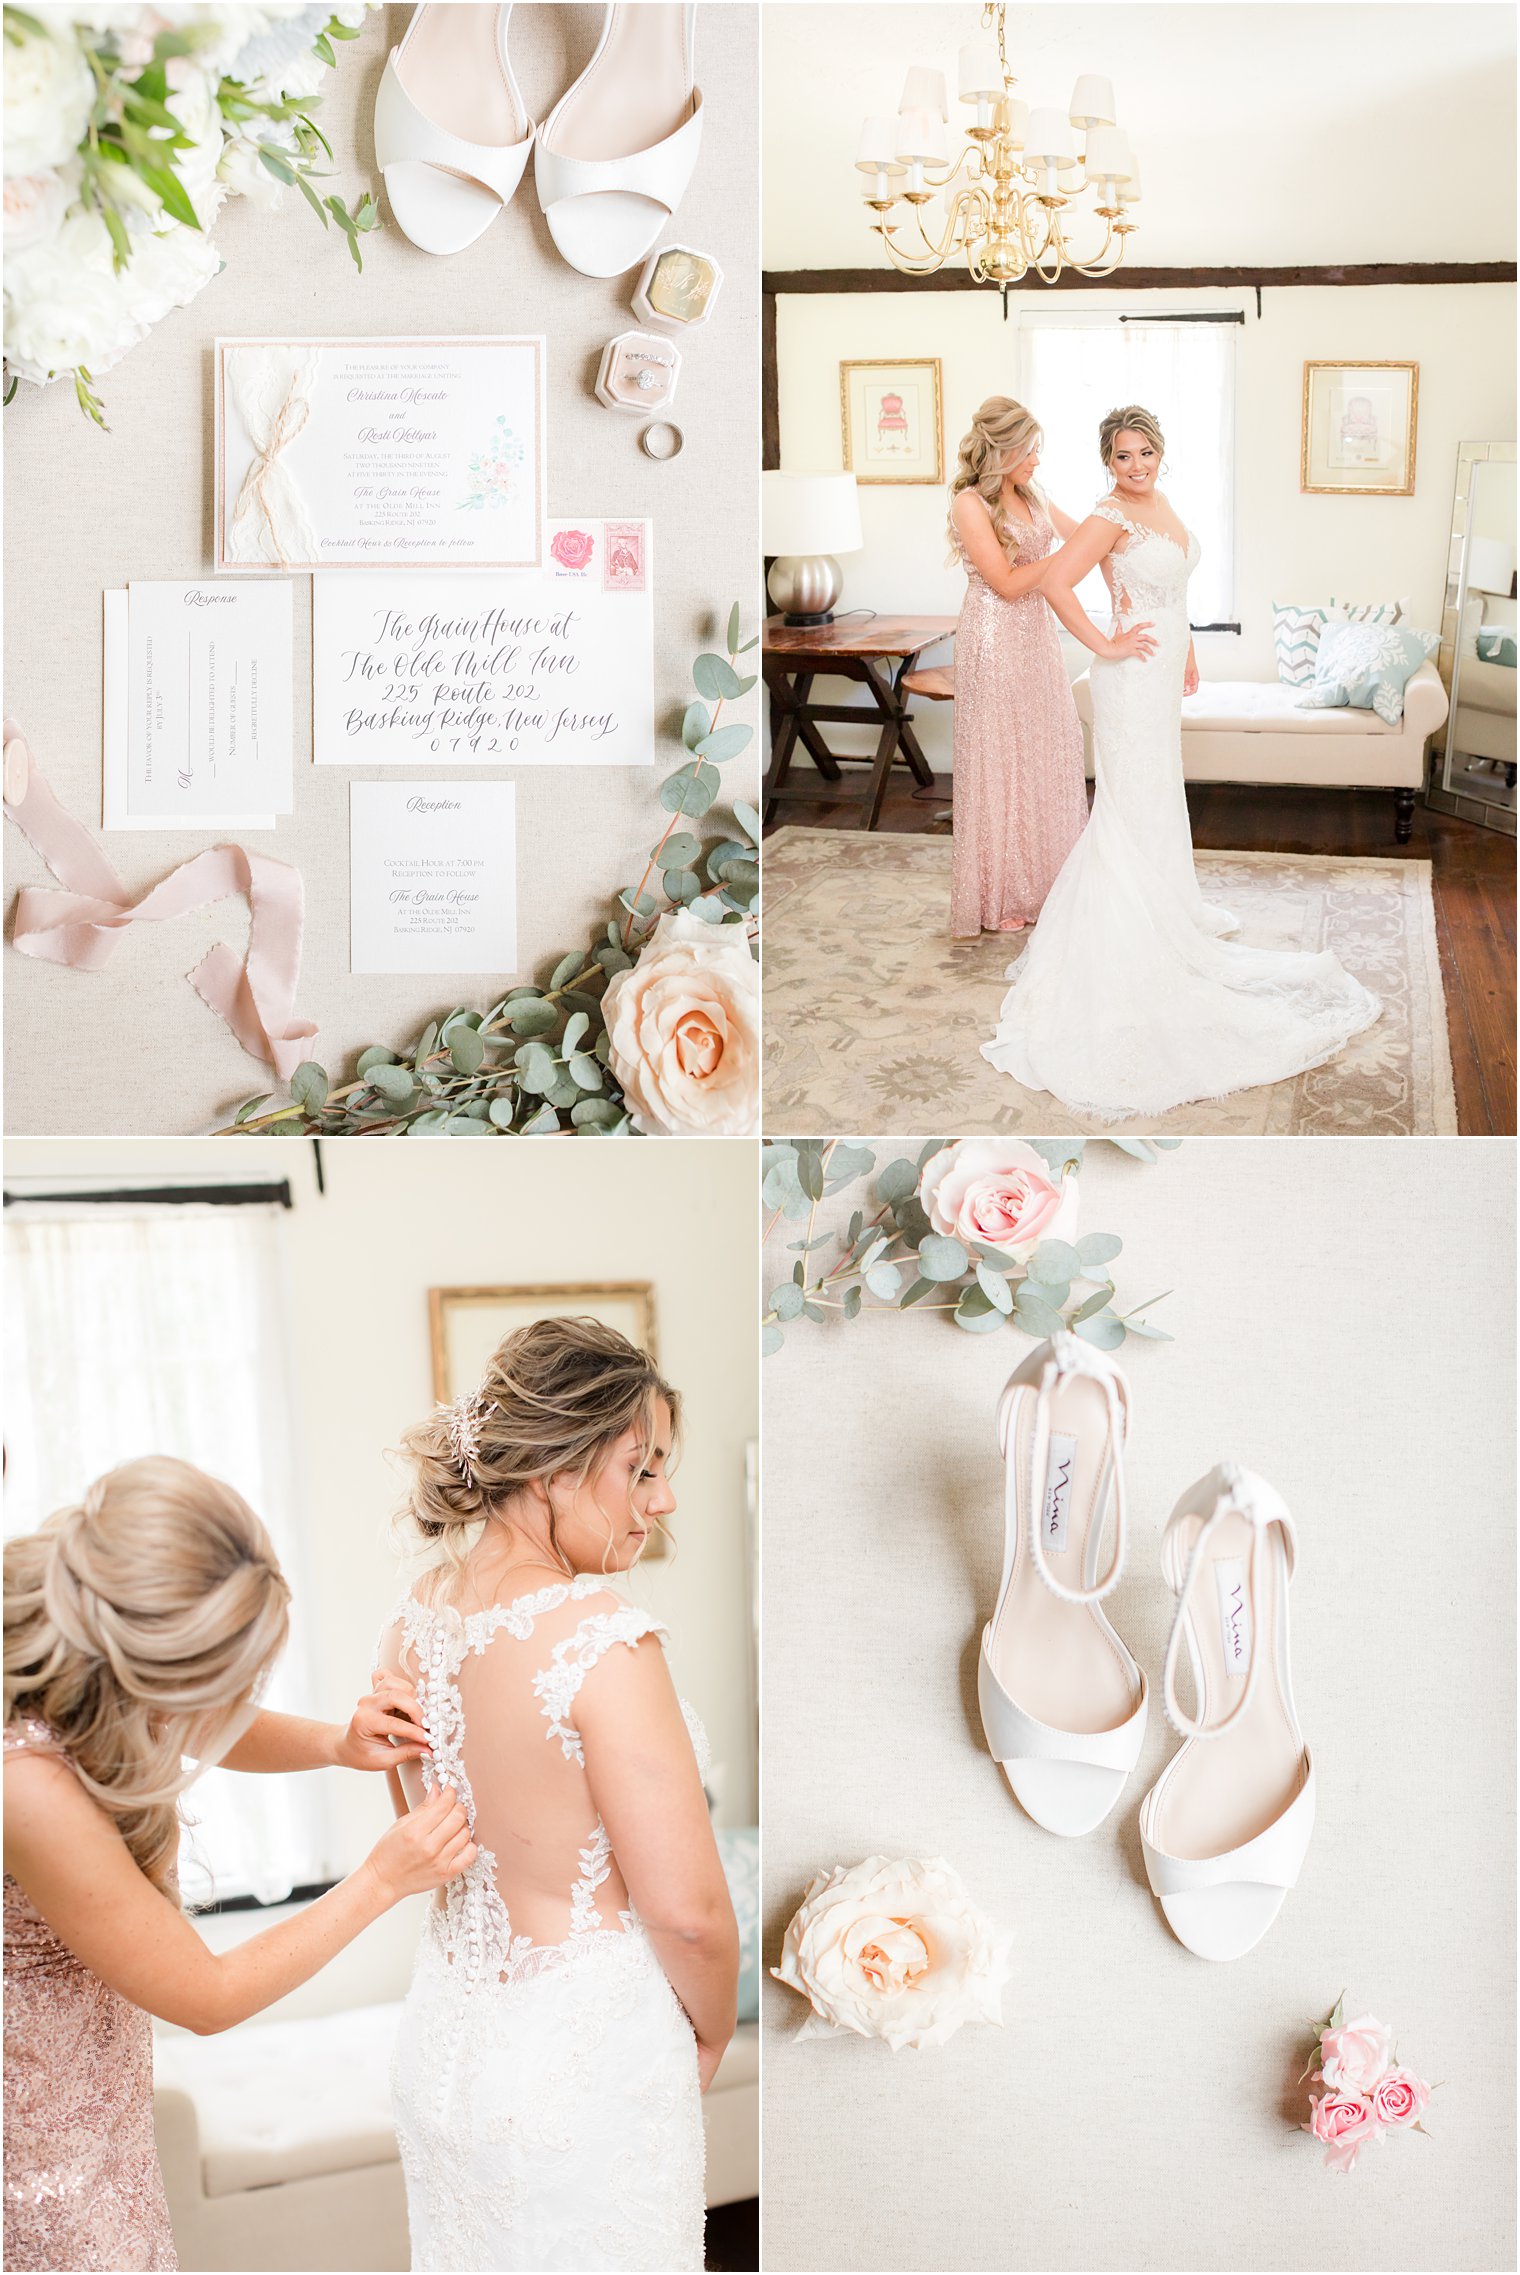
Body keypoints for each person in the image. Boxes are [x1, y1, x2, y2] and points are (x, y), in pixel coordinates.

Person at [3, 1456, 472, 2274]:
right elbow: (207, 1996)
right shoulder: (30, 1788)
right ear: (154, 1671)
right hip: (42, 2159)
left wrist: (336, 1743)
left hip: (102, 2114)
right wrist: (382, 1879)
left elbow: (201, 1714)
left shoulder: (81, 1626)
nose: (223, 1707)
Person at [379, 1315, 738, 2273]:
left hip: (443, 2047)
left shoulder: (416, 1616)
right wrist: (711, 2033)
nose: (663, 1499)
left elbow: (426, 1834)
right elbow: (690, 1913)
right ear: (556, 1467)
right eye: (641, 1468)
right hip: (579, 2065)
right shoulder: (603, 1637)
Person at [982, 404, 1380, 1119]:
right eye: (1122, 457)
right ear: (1108, 461)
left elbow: (1175, 590)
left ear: (1160, 454)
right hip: (1130, 674)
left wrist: (1189, 647)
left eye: (1144, 454)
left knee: (1159, 796)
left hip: (1163, 665)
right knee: (1131, 801)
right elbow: (1053, 584)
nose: (1135, 467)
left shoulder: (1160, 502)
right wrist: (1104, 647)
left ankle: (1168, 908)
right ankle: (1130, 938)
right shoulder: (1110, 513)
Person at [946, 398, 1138, 937]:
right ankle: (1000, 894)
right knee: (1001, 759)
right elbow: (1007, 582)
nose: (1036, 460)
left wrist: (1126, 532)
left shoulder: (1034, 493)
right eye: (1029, 450)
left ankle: (1051, 883)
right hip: (992, 639)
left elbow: (1091, 538)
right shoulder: (968, 504)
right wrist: (1073, 557)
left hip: (1035, 636)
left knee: (1049, 749)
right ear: (1002, 449)